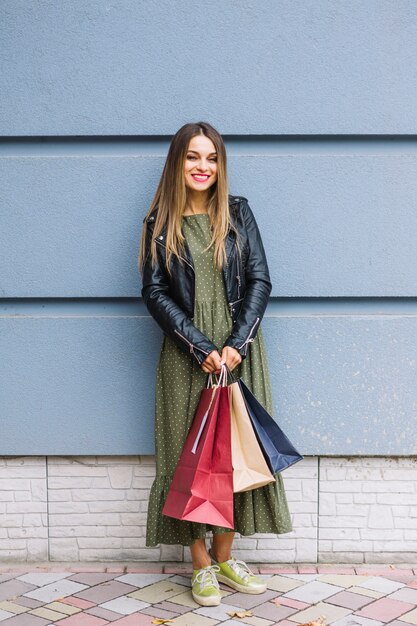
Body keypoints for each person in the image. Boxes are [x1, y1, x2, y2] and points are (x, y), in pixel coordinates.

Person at [138, 121, 293, 607]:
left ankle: (226, 556)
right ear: (177, 163)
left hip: (237, 349)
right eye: (192, 157)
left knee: (233, 456)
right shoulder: (158, 224)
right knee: (190, 456)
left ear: (220, 165)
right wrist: (199, 345)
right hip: (188, 354)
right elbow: (155, 292)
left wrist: (235, 344)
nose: (202, 167)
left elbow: (260, 281)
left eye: (211, 158)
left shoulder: (239, 212)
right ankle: (200, 563)